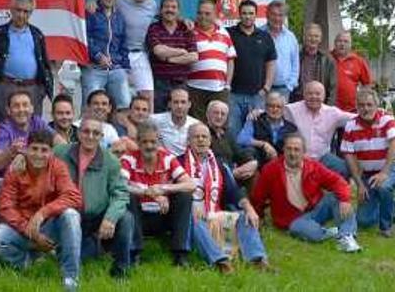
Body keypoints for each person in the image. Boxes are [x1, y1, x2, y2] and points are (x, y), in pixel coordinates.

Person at [0, 130, 83, 292]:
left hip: (50, 225)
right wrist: (31, 233)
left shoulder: (57, 166)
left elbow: (73, 196)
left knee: (71, 215)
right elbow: (6, 208)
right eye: (34, 149)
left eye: (44, 150)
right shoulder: (16, 169)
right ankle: (27, 262)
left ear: (51, 152)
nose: (38, 154)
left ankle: (70, 278)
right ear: (26, 149)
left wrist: (43, 213)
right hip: (23, 227)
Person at [250, 132, 361, 252]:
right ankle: (328, 232)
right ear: (283, 150)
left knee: (339, 198)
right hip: (293, 220)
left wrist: (345, 200)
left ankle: (347, 236)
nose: (292, 153)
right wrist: (258, 216)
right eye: (289, 149)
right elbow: (258, 196)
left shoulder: (313, 166)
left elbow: (338, 181)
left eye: (297, 150)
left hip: (316, 210)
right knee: (303, 230)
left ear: (304, 152)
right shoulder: (270, 170)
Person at [180, 124, 268, 273]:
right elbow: (177, 194)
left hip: (215, 214)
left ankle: (257, 259)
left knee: (244, 216)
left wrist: (249, 208)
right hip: (191, 216)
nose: (201, 140)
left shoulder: (219, 164)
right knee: (193, 219)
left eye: (204, 137)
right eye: (196, 137)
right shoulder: (179, 162)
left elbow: (233, 191)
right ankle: (221, 261)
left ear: (210, 141)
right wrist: (190, 205)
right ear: (188, 141)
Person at [54, 119, 133, 279]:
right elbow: (38, 159)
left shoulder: (110, 160)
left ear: (101, 136)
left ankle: (121, 270)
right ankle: (85, 250)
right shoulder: (60, 153)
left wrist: (110, 218)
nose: (90, 136)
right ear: (78, 133)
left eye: (96, 133)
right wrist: (21, 157)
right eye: (86, 131)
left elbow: (121, 193)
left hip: (96, 217)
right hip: (67, 216)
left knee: (126, 218)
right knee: (75, 257)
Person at [121, 122, 194, 266]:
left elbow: (190, 184)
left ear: (158, 141)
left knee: (184, 196)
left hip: (163, 215)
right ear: (138, 143)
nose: (149, 146)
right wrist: (146, 192)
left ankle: (180, 255)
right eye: (145, 142)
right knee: (127, 196)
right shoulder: (128, 159)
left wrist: (163, 189)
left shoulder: (167, 158)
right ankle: (134, 253)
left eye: (153, 141)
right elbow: (119, 186)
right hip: (139, 217)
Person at [0, 0, 54, 122]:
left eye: (26, 11)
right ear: (11, 9)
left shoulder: (37, 34)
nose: (21, 15)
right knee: (4, 125)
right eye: (18, 10)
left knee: (32, 128)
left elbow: (44, 63)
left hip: (32, 88)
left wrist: (42, 90)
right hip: (5, 87)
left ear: (31, 13)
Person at [340, 88, 395, 237]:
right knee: (364, 221)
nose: (366, 108)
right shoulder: (351, 125)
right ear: (357, 107)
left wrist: (384, 172)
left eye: (370, 105)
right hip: (367, 174)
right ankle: (387, 205)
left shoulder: (387, 120)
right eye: (362, 105)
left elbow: (393, 144)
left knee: (383, 186)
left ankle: (386, 227)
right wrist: (359, 184)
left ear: (376, 105)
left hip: (390, 167)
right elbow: (349, 156)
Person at [227, 0, 276, 138]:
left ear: (256, 15)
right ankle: (235, 160)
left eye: (251, 13)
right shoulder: (228, 34)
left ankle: (255, 159)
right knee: (233, 132)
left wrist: (266, 87)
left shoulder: (265, 37)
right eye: (244, 13)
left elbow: (271, 62)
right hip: (233, 94)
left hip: (257, 95)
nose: (247, 16)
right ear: (239, 14)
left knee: (256, 133)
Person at [284, 81, 354, 178]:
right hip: (300, 158)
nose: (314, 97)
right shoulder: (292, 109)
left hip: (323, 157)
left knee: (345, 169)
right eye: (310, 93)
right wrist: (256, 113)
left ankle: (337, 192)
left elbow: (354, 118)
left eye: (317, 94)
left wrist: (377, 113)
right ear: (304, 95)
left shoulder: (332, 113)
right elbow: (274, 110)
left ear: (324, 96)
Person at [82, 0, 131, 112]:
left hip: (116, 68)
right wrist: (98, 56)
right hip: (94, 68)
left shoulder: (119, 17)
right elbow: (85, 37)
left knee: (125, 105)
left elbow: (123, 44)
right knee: (91, 106)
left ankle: (119, 133)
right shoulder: (90, 12)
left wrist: (126, 68)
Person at [0, 91, 61, 177]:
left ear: (32, 108)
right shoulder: (4, 129)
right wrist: (10, 151)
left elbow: (60, 143)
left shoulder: (37, 122)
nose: (21, 109)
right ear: (8, 110)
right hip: (9, 179)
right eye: (16, 106)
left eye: (25, 105)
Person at [146, 0, 197, 113]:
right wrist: (181, 51)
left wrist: (168, 59)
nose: (170, 10)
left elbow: (193, 56)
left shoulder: (186, 29)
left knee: (180, 116)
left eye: (173, 7)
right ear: (161, 10)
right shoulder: (154, 28)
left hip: (181, 82)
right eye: (166, 7)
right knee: (158, 117)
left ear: (178, 11)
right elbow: (158, 51)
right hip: (159, 82)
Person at [187, 0, 235, 121]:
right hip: (194, 88)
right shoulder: (189, 31)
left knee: (219, 126)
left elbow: (230, 60)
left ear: (215, 15)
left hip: (219, 89)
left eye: (207, 13)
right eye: (200, 13)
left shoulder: (224, 32)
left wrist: (227, 85)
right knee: (197, 125)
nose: (203, 16)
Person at [116, 0, 157, 108]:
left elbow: (169, 17)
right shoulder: (120, 2)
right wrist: (92, 4)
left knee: (148, 96)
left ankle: (148, 128)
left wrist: (184, 20)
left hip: (140, 54)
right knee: (122, 97)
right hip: (120, 54)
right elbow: (102, 4)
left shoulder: (153, 5)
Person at [236, 92, 298, 166]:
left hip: (283, 165)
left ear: (283, 109)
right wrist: (263, 144)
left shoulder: (291, 128)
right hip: (258, 162)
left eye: (278, 107)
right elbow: (241, 139)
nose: (275, 109)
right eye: (271, 106)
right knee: (248, 151)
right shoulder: (255, 120)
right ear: (265, 107)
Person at [204, 100, 257, 184]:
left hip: (233, 174)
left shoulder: (228, 134)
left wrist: (251, 162)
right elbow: (208, 160)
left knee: (253, 173)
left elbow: (239, 153)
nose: (219, 116)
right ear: (207, 115)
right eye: (216, 113)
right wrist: (231, 172)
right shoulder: (203, 133)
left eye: (223, 114)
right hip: (213, 176)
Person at [263, 1, 299, 99]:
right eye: (273, 14)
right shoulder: (259, 34)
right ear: (267, 15)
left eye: (280, 15)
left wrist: (290, 86)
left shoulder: (291, 37)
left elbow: (295, 63)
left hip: (284, 90)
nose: (277, 18)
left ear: (284, 17)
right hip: (262, 90)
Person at [148, 88, 199, 157]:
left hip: (187, 163)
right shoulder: (155, 120)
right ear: (169, 104)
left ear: (189, 104)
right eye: (176, 102)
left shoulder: (196, 125)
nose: (179, 106)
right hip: (163, 161)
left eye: (183, 102)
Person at [294, 23, 337, 104]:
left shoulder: (328, 60)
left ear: (320, 39)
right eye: (310, 36)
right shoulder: (296, 56)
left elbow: (333, 87)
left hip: (319, 103)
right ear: (304, 37)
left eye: (316, 36)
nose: (313, 39)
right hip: (298, 101)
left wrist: (329, 106)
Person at [331, 31, 373, 113]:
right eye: (339, 41)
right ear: (335, 43)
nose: (342, 44)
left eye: (346, 41)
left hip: (351, 109)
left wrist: (363, 102)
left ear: (350, 44)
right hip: (329, 108)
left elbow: (367, 84)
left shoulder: (359, 61)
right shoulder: (327, 58)